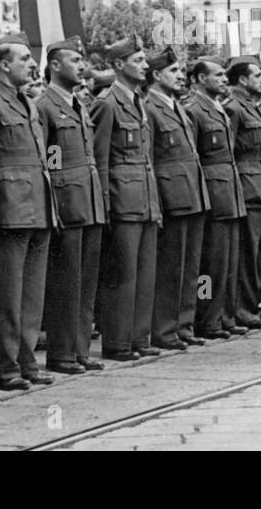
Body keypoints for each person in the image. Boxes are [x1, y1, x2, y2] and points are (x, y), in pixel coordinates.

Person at [0, 33, 56, 389]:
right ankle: (5, 366)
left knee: (32, 293)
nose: (32, 64)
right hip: (8, 208)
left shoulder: (27, 102)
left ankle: (26, 360)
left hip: (37, 204)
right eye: (24, 58)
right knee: (7, 294)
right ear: (5, 65)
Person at [35, 37, 106, 374]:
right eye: (75, 60)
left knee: (86, 280)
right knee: (66, 281)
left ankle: (79, 349)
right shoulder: (45, 106)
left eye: (82, 60)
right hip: (67, 203)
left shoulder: (77, 104)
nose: (82, 66)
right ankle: (62, 353)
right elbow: (49, 162)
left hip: (89, 201)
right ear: (55, 65)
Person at [91, 37, 161, 361]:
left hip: (144, 198)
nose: (146, 65)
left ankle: (138, 337)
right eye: (139, 59)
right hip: (122, 200)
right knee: (122, 275)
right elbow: (100, 160)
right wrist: (105, 206)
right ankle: (118, 341)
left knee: (145, 274)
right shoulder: (107, 104)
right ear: (119, 65)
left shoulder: (137, 102)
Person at [143, 47, 210, 350]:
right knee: (170, 267)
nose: (181, 75)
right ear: (156, 75)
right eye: (173, 71)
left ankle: (184, 323)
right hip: (171, 196)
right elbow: (149, 159)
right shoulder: (149, 108)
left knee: (190, 266)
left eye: (182, 71)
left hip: (192, 193)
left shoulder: (177, 106)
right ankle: (165, 329)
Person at [185, 56, 247, 339]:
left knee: (227, 263)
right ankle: (205, 318)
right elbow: (193, 158)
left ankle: (223, 315)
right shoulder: (194, 110)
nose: (224, 79)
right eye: (218, 75)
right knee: (209, 266)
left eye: (225, 75)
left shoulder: (218, 108)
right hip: (212, 193)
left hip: (229, 193)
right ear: (200, 79)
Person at [225, 56, 261, 329]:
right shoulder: (234, 108)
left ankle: (254, 305)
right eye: (258, 75)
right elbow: (229, 154)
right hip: (248, 188)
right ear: (242, 80)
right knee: (247, 254)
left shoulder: (252, 106)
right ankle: (241, 308)